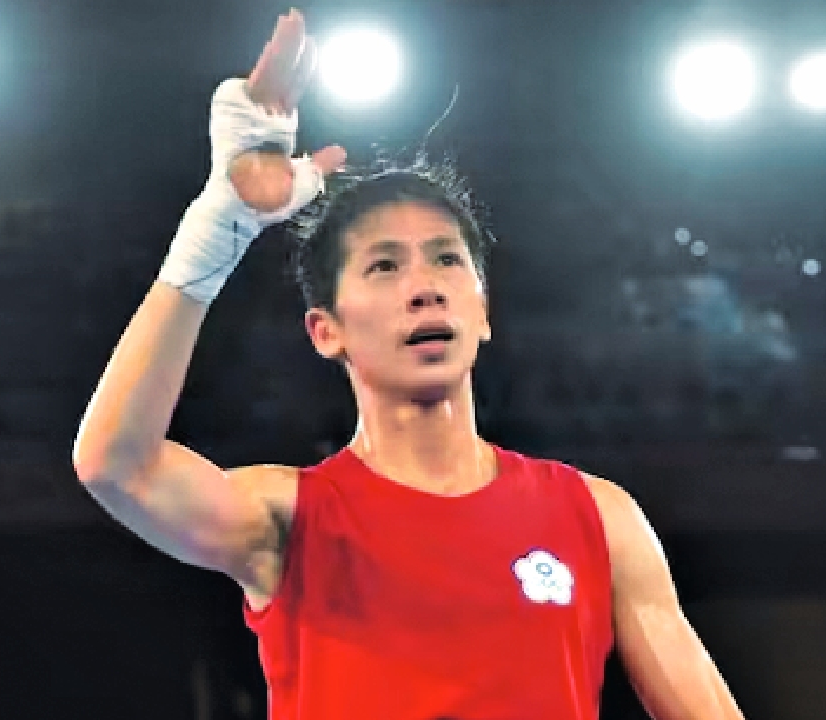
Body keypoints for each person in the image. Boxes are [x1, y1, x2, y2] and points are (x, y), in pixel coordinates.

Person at [73, 9, 746, 720]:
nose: (424, 286)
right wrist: (219, 230)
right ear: (326, 331)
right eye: (384, 266)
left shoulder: (599, 518)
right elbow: (116, 467)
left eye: (447, 260)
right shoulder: (290, 521)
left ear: (482, 310)